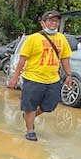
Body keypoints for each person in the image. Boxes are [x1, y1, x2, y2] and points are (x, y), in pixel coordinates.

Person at [7, 10, 73, 141]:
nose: (53, 23)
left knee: (51, 104)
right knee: (30, 105)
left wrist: (69, 75)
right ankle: (30, 130)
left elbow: (65, 58)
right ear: (43, 23)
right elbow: (22, 60)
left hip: (53, 79)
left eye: (56, 21)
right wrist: (15, 77)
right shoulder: (33, 39)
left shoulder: (61, 39)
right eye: (50, 21)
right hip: (33, 78)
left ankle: (29, 117)